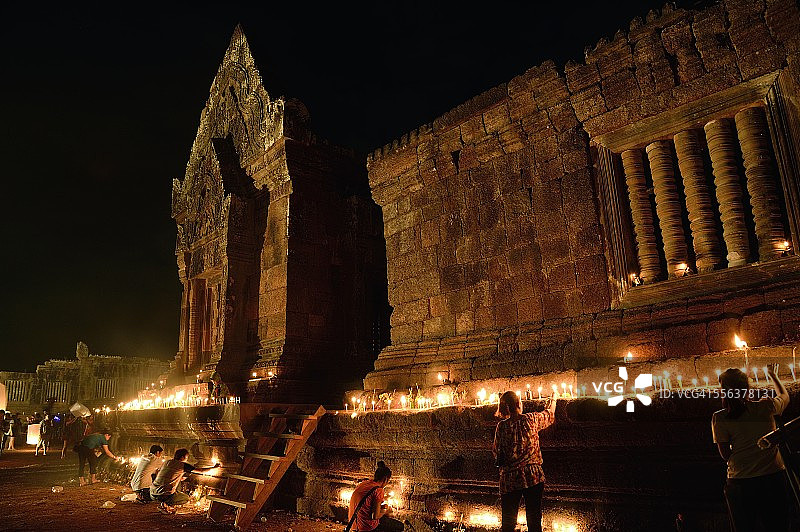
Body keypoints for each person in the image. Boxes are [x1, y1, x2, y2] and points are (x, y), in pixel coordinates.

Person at [712, 364, 790, 531]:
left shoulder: (720, 417)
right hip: (772, 477)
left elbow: (725, 455)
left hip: (741, 483)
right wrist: (772, 376)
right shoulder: (765, 406)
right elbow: (784, 396)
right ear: (746, 387)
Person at [493, 390, 557, 532]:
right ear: (518, 404)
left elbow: (496, 452)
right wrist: (554, 399)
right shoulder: (530, 419)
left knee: (508, 523)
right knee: (534, 521)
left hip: (509, 480)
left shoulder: (501, 427)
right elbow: (549, 415)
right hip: (532, 476)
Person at [150, 448, 218, 514]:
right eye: (186, 457)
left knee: (175, 487)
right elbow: (201, 471)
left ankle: (163, 505)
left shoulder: (167, 462)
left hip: (152, 493)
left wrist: (182, 476)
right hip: (162, 495)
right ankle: (166, 506)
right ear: (182, 457)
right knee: (185, 498)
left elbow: (172, 475)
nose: (187, 459)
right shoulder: (182, 465)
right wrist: (214, 467)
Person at [347, 461, 404, 532]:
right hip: (365, 526)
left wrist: (382, 505)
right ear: (385, 479)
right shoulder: (378, 490)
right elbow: (375, 516)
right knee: (400, 526)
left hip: (353, 524)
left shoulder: (364, 483)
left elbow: (368, 504)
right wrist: (386, 511)